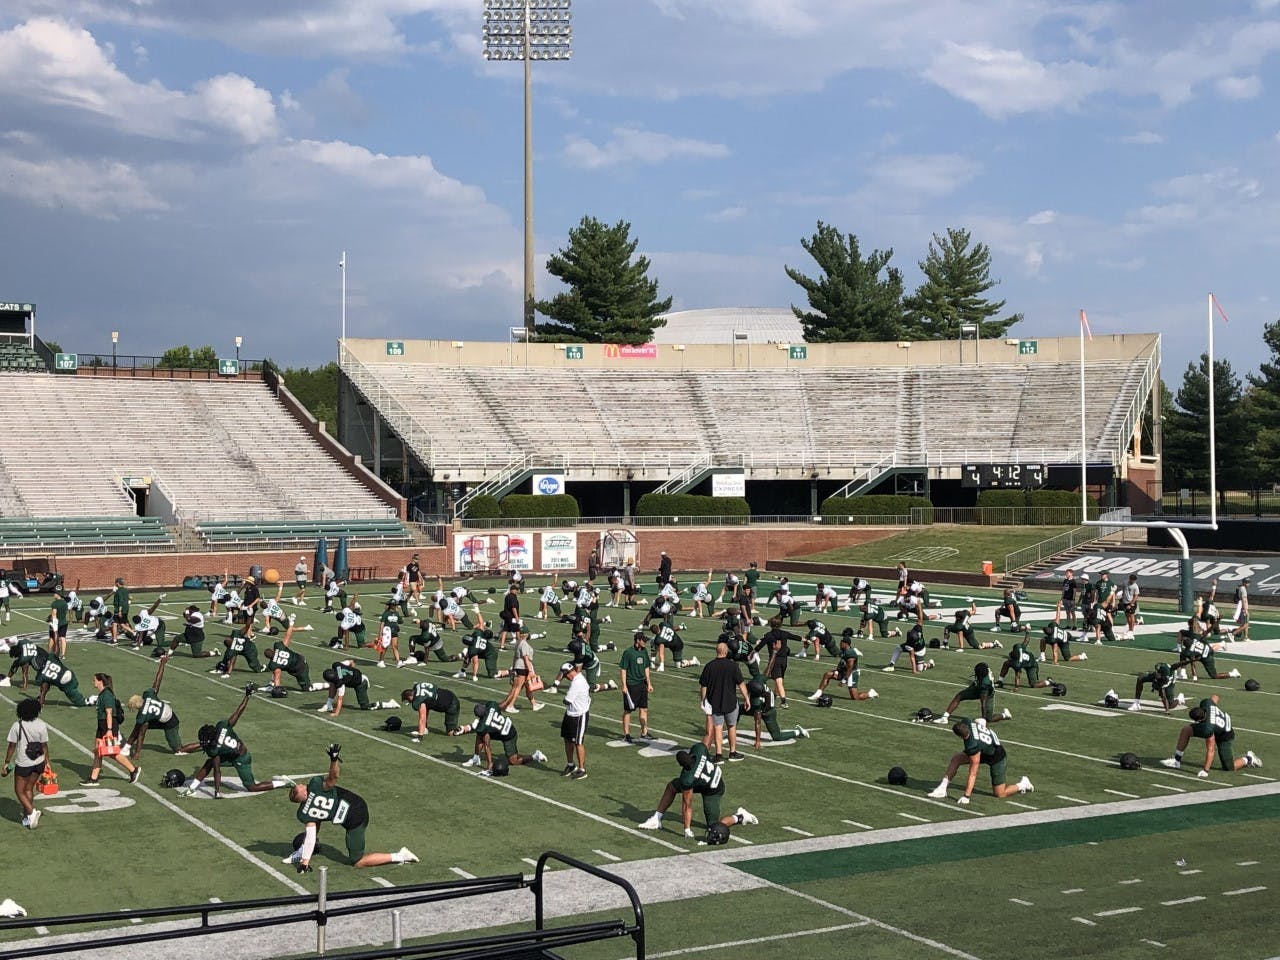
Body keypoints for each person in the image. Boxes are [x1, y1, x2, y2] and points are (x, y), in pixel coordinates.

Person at [282, 744, 418, 871]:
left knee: (357, 861)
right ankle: (303, 851)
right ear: (304, 794)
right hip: (356, 809)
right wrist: (334, 759)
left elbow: (312, 835)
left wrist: (305, 863)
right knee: (318, 822)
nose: (300, 784)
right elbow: (333, 777)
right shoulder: (316, 785)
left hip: (355, 816)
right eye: (300, 786)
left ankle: (400, 856)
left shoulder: (305, 812)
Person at [177, 686, 285, 796]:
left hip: (241, 758)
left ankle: (282, 783)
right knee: (209, 762)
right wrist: (247, 696)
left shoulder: (214, 749)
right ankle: (192, 788)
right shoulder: (223, 726)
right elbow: (238, 713)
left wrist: (217, 791)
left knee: (252, 787)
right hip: (233, 752)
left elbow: (217, 770)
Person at [636, 743, 757, 838]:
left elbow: (687, 805)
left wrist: (687, 829)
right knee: (672, 786)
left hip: (714, 790)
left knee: (714, 827)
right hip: (703, 781)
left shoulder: (687, 778)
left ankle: (740, 816)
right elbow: (705, 744)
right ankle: (656, 819)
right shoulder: (698, 750)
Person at [927, 718, 1034, 803]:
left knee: (1000, 793)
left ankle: (1023, 784)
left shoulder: (972, 745)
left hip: (997, 757)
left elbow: (973, 773)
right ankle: (942, 788)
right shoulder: (968, 722)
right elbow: (980, 720)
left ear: (961, 736)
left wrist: (966, 796)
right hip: (986, 749)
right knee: (956, 758)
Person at [1160, 695, 1261, 776]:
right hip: (1216, 725)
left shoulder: (1207, 728)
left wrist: (1205, 770)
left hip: (1225, 736)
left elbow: (1211, 749)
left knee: (1229, 767)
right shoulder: (1207, 704)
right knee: (1186, 730)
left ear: (1198, 720)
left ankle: (1249, 758)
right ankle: (1176, 760)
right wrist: (1214, 710)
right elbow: (1215, 697)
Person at [451, 701, 547, 775]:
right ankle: (476, 758)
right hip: (503, 728)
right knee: (480, 733)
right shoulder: (491, 705)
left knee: (513, 761)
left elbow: (487, 746)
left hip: (509, 735)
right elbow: (501, 706)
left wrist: (489, 764)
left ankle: (535, 756)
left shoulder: (483, 725)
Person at [85, 673, 141, 786]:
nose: (93, 682)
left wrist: (109, 730)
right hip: (102, 725)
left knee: (111, 752)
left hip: (108, 726)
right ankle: (93, 778)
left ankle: (133, 770)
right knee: (98, 751)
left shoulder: (107, 695)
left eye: (95, 680)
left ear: (101, 681)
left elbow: (109, 713)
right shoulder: (102, 694)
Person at [699, 640, 750, 763]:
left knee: (718, 728)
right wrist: (747, 698)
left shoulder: (709, 666)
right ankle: (732, 752)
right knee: (732, 727)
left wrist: (703, 700)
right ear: (726, 652)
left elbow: (703, 686)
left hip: (714, 702)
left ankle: (718, 755)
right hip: (731, 702)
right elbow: (741, 684)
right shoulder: (733, 666)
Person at [3, 697, 50, 829]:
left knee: (19, 791)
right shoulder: (41, 724)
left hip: (24, 763)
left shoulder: (17, 726)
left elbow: (12, 746)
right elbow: (44, 745)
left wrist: (6, 762)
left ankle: (31, 812)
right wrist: (47, 762)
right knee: (29, 788)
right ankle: (26, 818)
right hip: (39, 761)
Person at [124, 654, 184, 756]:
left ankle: (201, 745)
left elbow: (142, 735)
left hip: (170, 722)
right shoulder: (149, 695)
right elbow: (158, 681)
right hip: (164, 715)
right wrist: (162, 664)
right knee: (139, 726)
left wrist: (137, 753)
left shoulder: (143, 715)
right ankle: (127, 746)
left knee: (178, 749)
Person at [933, 661, 1011, 727]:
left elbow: (983, 703)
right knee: (959, 696)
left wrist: (983, 720)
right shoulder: (984, 669)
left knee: (988, 718)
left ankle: (1005, 715)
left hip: (988, 693)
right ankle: (945, 717)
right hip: (977, 687)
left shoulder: (985, 684)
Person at [807, 636, 878, 702]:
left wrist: (844, 680)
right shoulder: (843, 650)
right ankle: (818, 694)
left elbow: (850, 668)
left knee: (855, 698)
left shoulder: (850, 653)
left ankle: (870, 694)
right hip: (844, 672)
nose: (840, 644)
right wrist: (837, 671)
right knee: (827, 675)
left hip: (851, 674)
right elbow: (842, 662)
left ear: (846, 644)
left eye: (841, 643)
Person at [744, 678, 808, 746]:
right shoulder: (760, 682)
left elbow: (758, 722)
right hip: (764, 707)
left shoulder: (757, 701)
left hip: (768, 713)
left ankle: (798, 732)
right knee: (738, 710)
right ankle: (732, 729)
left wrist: (758, 741)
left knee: (777, 736)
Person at [318, 660, 395, 715]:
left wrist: (336, 713)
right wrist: (352, 673)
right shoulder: (336, 665)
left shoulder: (340, 681)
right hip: (356, 678)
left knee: (365, 706)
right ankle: (329, 705)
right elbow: (351, 661)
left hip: (361, 683)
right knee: (333, 685)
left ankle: (389, 704)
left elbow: (340, 698)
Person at [755, 617, 799, 708]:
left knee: (777, 680)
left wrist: (752, 653)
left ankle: (783, 702)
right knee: (778, 679)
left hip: (774, 660)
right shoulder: (784, 633)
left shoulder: (768, 635)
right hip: (784, 660)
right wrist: (806, 640)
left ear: (770, 625)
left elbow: (759, 646)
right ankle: (774, 696)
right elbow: (795, 637)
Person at [497, 629, 543, 714]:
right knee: (517, 688)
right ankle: (510, 706)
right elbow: (526, 659)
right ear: (526, 635)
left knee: (526, 687)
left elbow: (515, 658)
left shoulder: (518, 643)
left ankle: (534, 704)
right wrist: (530, 671)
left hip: (518, 667)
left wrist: (514, 669)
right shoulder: (524, 644)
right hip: (523, 668)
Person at [619, 631, 654, 743]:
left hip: (642, 684)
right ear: (637, 640)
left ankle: (644, 732)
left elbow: (646, 668)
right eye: (643, 640)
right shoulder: (628, 653)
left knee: (644, 709)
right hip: (631, 684)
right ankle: (627, 734)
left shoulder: (644, 652)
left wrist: (649, 683)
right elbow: (623, 669)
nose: (645, 643)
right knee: (628, 710)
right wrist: (624, 685)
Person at [559, 661, 591, 780]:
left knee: (578, 742)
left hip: (579, 714)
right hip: (570, 713)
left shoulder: (577, 683)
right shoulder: (577, 679)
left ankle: (582, 769)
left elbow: (567, 701)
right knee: (567, 740)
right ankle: (571, 765)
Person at [267, 622, 322, 692]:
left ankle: (329, 685)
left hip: (300, 669)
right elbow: (288, 635)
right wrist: (291, 623)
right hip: (300, 659)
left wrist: (277, 688)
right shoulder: (279, 647)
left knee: (308, 688)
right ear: (273, 650)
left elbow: (277, 676)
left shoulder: (273, 664)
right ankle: (271, 683)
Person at [1174, 631, 1241, 682]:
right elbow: (1202, 637)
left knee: (1214, 676)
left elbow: (1192, 663)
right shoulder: (1195, 638)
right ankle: (1221, 644)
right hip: (1208, 650)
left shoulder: (1188, 651)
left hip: (1206, 658)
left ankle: (1233, 673)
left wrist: (1195, 676)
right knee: (1192, 655)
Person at [48, 587, 71, 659]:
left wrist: (52, 622)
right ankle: (63, 654)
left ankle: (50, 653)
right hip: (64, 622)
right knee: (63, 637)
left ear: (58, 594)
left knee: (52, 638)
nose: (53, 594)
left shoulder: (54, 603)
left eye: (55, 593)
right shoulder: (65, 603)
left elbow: (54, 614)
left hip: (56, 623)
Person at [109, 576, 131, 644]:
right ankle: (133, 636)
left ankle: (115, 639)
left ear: (117, 583)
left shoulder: (118, 591)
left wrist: (120, 611)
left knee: (115, 623)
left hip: (119, 609)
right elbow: (130, 597)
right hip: (126, 608)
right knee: (125, 622)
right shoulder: (126, 590)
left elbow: (120, 601)